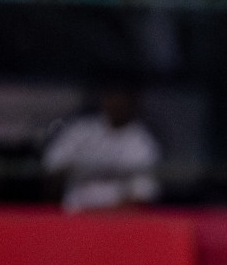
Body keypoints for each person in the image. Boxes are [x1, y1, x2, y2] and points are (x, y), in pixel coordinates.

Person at [41, 84, 160, 212]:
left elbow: (142, 195)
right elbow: (51, 166)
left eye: (121, 97)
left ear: (133, 101)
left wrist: (99, 215)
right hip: (71, 214)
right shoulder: (81, 129)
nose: (116, 102)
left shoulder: (142, 142)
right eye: (112, 96)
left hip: (115, 218)